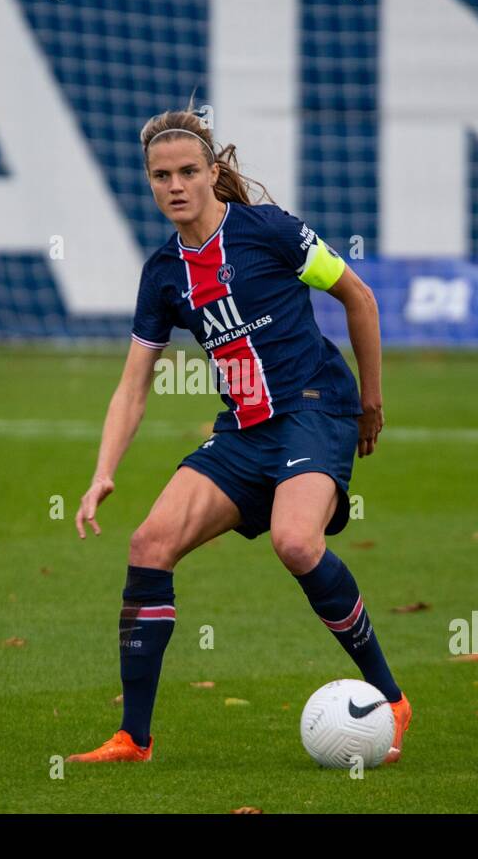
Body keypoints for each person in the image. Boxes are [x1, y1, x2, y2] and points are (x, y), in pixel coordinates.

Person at [67, 103, 409, 764]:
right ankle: (133, 737)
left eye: (188, 170)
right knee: (149, 542)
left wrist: (371, 400)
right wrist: (103, 470)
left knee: (294, 539)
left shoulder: (269, 233)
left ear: (212, 170)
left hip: (317, 406)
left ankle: (391, 697)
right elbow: (134, 383)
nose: (175, 185)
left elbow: (358, 297)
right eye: (160, 175)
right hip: (246, 430)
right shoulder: (163, 274)